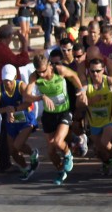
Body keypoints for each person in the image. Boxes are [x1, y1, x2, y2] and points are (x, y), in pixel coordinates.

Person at [25, 54, 86, 186]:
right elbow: (27, 96)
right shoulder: (34, 76)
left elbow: (74, 76)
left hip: (64, 111)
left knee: (58, 141)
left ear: (49, 66)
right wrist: (41, 97)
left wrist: (81, 90)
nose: (41, 74)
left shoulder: (59, 70)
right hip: (49, 114)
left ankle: (68, 154)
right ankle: (60, 171)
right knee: (51, 150)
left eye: (43, 71)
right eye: (38, 71)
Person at [0, 24, 30, 172]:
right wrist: (25, 44)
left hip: (6, 91)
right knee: (9, 126)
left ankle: (7, 159)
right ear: (9, 37)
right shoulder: (1, 49)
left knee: (10, 124)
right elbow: (21, 61)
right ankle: (6, 160)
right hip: (6, 93)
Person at [0, 64, 39, 180]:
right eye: (5, 80)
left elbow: (28, 102)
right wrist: (6, 110)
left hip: (25, 118)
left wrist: (15, 109)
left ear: (15, 77)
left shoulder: (21, 86)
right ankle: (25, 168)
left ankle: (33, 153)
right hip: (11, 120)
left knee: (18, 145)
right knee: (12, 150)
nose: (7, 83)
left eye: (10, 80)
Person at [84, 58, 112, 175]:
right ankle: (106, 162)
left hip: (110, 118)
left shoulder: (110, 81)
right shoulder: (86, 84)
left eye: (98, 71)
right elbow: (79, 103)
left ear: (103, 70)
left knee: (105, 142)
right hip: (94, 121)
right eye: (92, 71)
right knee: (99, 149)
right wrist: (90, 100)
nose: (95, 74)